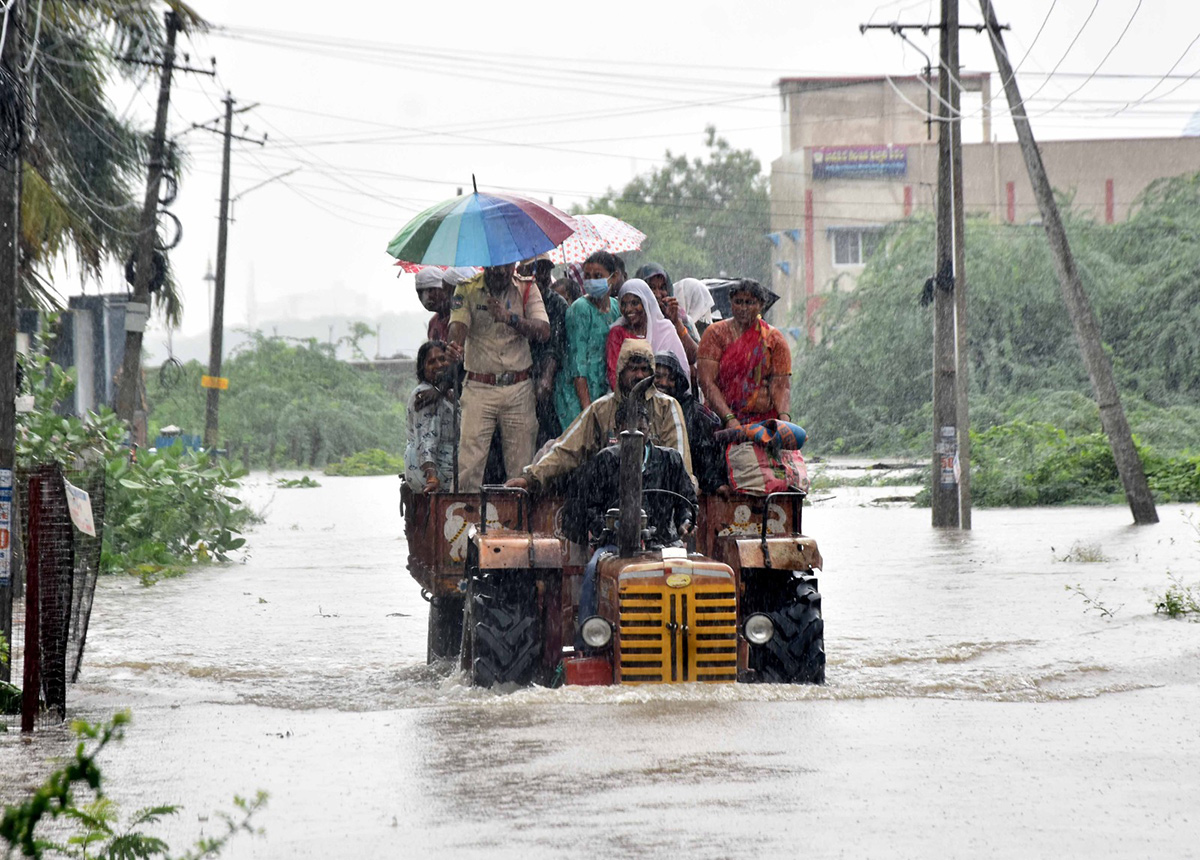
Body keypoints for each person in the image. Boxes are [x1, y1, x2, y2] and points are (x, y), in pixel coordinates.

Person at [567, 402, 696, 639]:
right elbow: (590, 507)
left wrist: (685, 521)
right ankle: (588, 639)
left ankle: (691, 638)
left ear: (650, 429)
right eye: (627, 427)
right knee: (594, 570)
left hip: (664, 543)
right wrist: (608, 526)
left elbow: (686, 501)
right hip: (615, 544)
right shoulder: (605, 460)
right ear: (617, 432)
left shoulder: (670, 460)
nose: (636, 431)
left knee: (691, 574)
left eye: (641, 425)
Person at [507, 339, 693, 492]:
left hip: (656, 494)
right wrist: (530, 478)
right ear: (621, 371)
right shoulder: (601, 408)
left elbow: (680, 460)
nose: (639, 375)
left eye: (645, 370)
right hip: (610, 497)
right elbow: (567, 449)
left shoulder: (668, 406)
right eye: (633, 368)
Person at [447, 262, 550, 491]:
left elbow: (543, 330)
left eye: (506, 266)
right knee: (469, 464)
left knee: (522, 466)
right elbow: (457, 327)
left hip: (519, 387)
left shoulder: (527, 288)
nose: (501, 271)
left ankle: (518, 520)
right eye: (495, 266)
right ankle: (464, 518)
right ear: (485, 264)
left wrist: (509, 318)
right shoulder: (466, 289)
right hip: (479, 386)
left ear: (513, 264)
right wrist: (455, 344)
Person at [697, 278, 793, 430]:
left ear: (761, 305)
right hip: (719, 421)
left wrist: (785, 424)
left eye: (749, 303)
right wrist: (729, 419)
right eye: (738, 302)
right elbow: (707, 382)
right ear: (731, 302)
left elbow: (781, 387)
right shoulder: (715, 334)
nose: (743, 308)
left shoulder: (774, 339)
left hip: (763, 423)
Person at [560, 250, 622, 429]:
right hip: (577, 393)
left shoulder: (616, 307)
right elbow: (577, 364)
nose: (592, 281)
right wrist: (587, 409)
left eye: (598, 276)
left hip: (603, 388)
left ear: (613, 277)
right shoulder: (580, 309)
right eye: (588, 276)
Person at [654, 350, 724, 494]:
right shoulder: (641, 407)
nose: (664, 383)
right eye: (658, 376)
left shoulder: (695, 413)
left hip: (689, 486)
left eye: (670, 378)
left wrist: (713, 483)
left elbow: (706, 454)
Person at [605, 279, 690, 392]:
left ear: (646, 302)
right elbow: (614, 374)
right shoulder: (617, 334)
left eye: (635, 303)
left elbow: (680, 370)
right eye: (624, 304)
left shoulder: (665, 330)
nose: (628, 309)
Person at [521, 255, 569, 447]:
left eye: (544, 271)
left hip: (549, 379)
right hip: (518, 376)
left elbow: (556, 344)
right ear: (520, 272)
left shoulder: (556, 303)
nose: (540, 276)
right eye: (533, 270)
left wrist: (546, 377)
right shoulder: (514, 298)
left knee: (548, 437)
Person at [404, 340, 457, 493]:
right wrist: (431, 476)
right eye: (432, 362)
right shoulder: (425, 395)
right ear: (423, 368)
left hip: (445, 467)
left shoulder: (447, 392)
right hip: (430, 471)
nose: (439, 365)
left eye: (442, 359)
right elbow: (426, 437)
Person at [637, 262, 700, 356]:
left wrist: (676, 323)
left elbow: (693, 355)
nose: (658, 294)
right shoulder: (633, 317)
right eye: (652, 288)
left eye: (662, 288)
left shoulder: (678, 316)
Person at [416, 266, 474, 342]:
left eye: (430, 290)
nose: (426, 297)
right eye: (420, 292)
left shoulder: (461, 318)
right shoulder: (433, 322)